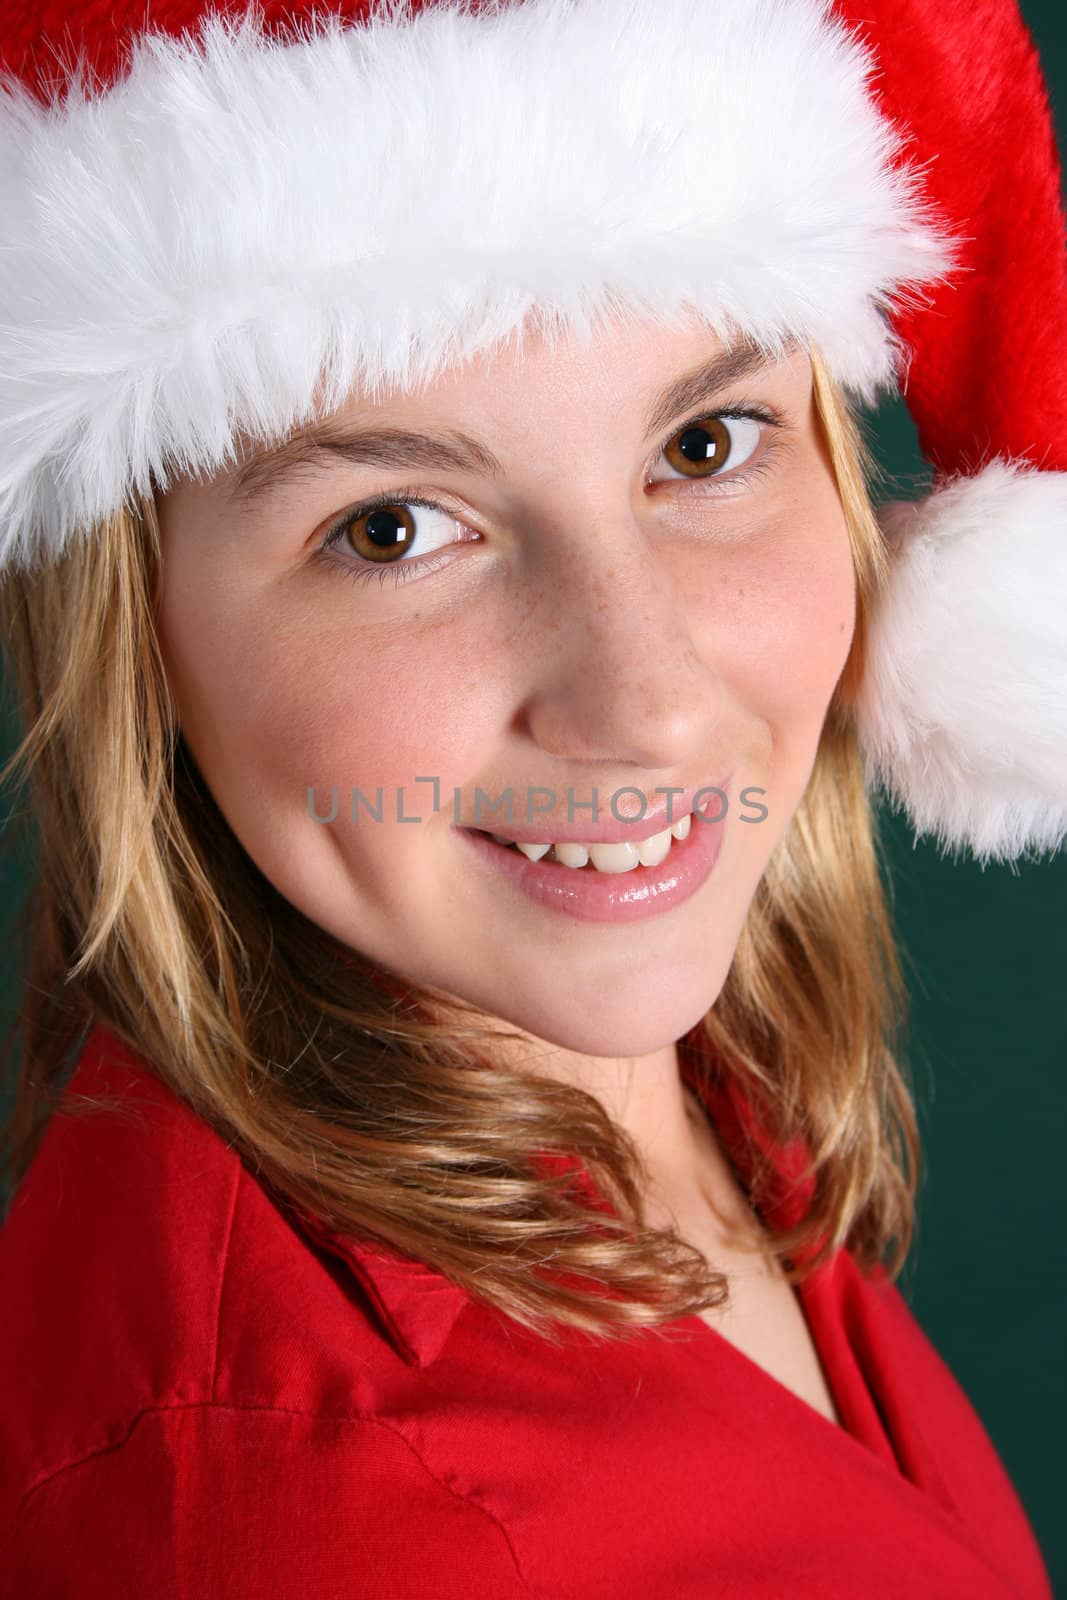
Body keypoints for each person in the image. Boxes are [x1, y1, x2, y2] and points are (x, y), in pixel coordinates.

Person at [0, 0, 1063, 1594]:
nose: (643, 701)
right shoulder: (301, 1528)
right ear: (136, 640)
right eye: (392, 530)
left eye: (706, 444)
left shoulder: (664, 1065)